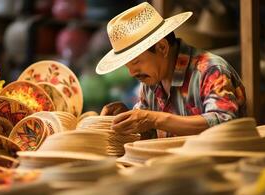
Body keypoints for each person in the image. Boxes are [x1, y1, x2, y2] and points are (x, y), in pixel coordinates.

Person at [96, 2, 246, 138]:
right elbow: (149, 131)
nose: (132, 73)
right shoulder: (151, 81)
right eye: (127, 66)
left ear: (162, 47)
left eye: (136, 62)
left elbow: (225, 123)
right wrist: (126, 117)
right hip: (173, 165)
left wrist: (155, 118)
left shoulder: (210, 70)